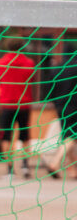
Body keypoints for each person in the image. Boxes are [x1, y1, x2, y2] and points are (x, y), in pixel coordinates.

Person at [0, 36, 37, 178]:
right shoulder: (29, 63)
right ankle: (25, 166)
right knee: (25, 135)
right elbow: (31, 79)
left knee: (6, 137)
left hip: (7, 103)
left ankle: (10, 169)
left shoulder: (1, 63)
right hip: (24, 104)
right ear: (22, 46)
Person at [44, 45, 77, 177]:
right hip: (74, 106)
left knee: (68, 137)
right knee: (71, 137)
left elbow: (49, 89)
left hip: (60, 106)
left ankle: (74, 172)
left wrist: (56, 103)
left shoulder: (57, 68)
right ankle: (54, 163)